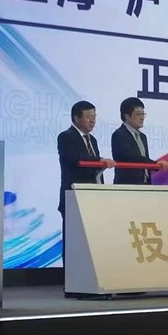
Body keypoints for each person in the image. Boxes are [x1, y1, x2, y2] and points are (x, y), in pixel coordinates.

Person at [57, 100, 115, 290]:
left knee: (92, 240)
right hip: (73, 197)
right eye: (88, 117)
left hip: (92, 198)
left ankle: (90, 279)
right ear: (76, 118)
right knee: (73, 241)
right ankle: (71, 282)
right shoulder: (66, 137)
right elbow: (73, 159)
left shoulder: (93, 140)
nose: (92, 121)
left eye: (94, 117)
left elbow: (95, 168)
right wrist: (100, 160)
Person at [112, 97, 168, 185]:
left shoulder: (143, 137)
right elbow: (132, 157)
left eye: (143, 114)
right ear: (127, 116)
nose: (142, 118)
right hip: (127, 185)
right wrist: (156, 164)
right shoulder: (119, 134)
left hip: (145, 184)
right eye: (138, 114)